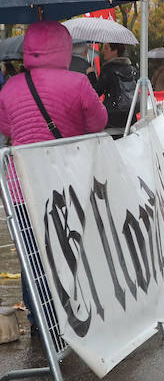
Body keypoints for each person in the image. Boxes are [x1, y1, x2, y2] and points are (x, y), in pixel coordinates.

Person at [0, 21, 107, 335]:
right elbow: (98, 123)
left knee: (32, 259)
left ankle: (40, 322)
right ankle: (76, 318)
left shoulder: (10, 86)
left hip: (22, 189)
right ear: (64, 47)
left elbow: (6, 129)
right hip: (68, 185)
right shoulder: (77, 83)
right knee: (76, 251)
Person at [88, 42, 138, 136]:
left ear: (115, 51)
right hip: (130, 116)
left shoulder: (108, 70)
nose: (103, 51)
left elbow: (95, 93)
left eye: (106, 48)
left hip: (112, 119)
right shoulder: (132, 69)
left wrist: (91, 75)